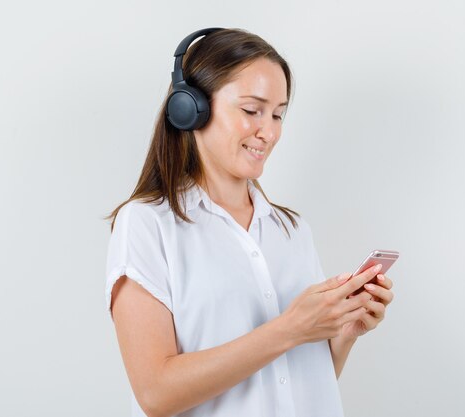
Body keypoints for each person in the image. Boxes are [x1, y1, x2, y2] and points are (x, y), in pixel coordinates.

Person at [105, 28, 394, 417]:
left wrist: (342, 334)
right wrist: (290, 328)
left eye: (278, 114)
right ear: (191, 108)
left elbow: (298, 385)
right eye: (251, 110)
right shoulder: (146, 225)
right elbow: (155, 393)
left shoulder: (291, 231)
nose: (270, 132)